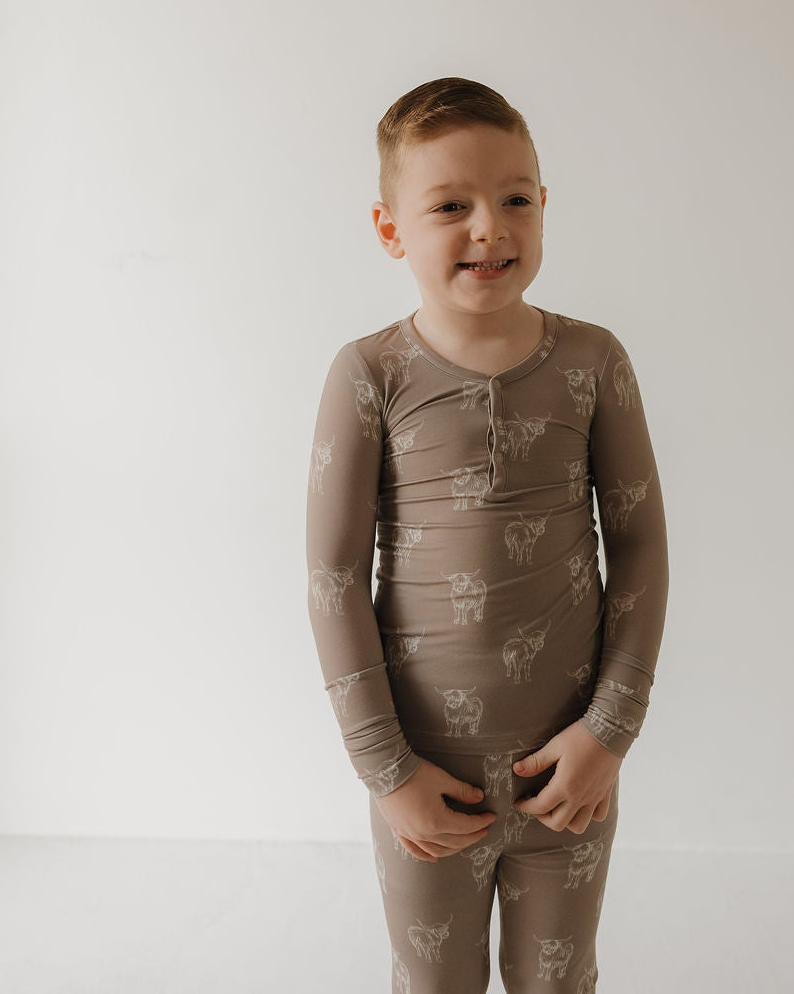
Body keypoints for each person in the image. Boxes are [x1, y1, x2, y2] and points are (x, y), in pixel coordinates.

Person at [306, 76, 669, 993]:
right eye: (450, 206)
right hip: (426, 781)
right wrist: (387, 771)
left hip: (568, 778)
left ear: (544, 208)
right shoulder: (369, 376)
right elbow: (333, 577)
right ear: (392, 229)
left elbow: (640, 549)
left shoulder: (593, 362)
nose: (489, 228)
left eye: (515, 200)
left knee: (560, 980)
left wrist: (609, 733)